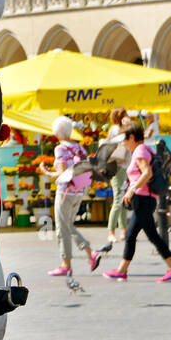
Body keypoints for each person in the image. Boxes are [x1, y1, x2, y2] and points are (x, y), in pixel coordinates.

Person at [103, 120, 171, 282]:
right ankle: (122, 270)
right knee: (133, 235)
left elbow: (147, 174)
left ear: (132, 137)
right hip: (146, 198)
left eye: (125, 140)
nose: (124, 144)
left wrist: (132, 190)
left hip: (143, 198)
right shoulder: (146, 149)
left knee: (151, 236)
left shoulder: (139, 151)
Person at [49, 116, 102, 276]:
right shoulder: (80, 148)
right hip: (79, 191)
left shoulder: (60, 149)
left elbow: (62, 172)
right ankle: (88, 254)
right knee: (68, 225)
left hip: (65, 191)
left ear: (57, 133)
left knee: (62, 227)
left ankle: (69, 263)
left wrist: (46, 172)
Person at [104, 107, 130, 244]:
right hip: (118, 166)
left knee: (123, 200)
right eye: (125, 115)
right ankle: (111, 232)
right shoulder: (116, 129)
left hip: (126, 166)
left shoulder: (125, 128)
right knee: (118, 200)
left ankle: (123, 230)